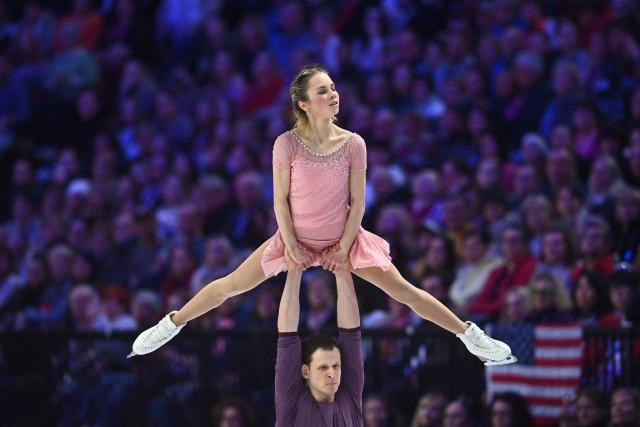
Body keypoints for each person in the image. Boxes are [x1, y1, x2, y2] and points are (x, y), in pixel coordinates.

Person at [128, 64, 516, 367]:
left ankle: (471, 336)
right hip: (292, 237)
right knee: (231, 285)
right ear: (303, 103)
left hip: (344, 239)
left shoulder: (354, 143)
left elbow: (358, 204)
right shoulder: (287, 144)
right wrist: (292, 245)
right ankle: (170, 325)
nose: (333, 94)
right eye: (323, 90)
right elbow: (280, 202)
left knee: (405, 292)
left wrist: (342, 248)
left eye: (332, 88)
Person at [275, 250, 363, 426]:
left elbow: (352, 334)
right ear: (306, 371)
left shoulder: (349, 396)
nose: (332, 374)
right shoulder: (292, 402)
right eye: (323, 367)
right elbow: (286, 335)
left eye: (336, 366)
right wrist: (294, 271)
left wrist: (342, 269)